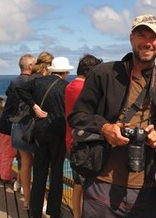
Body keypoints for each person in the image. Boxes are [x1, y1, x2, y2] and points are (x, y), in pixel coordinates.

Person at [69, 14, 156, 217]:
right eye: (141, 35)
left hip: (145, 187)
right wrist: (105, 128)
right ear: (131, 38)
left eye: (153, 37)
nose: (147, 42)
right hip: (102, 182)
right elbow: (77, 115)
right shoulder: (104, 73)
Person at [17, 56, 73, 218]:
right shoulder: (66, 87)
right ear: (65, 72)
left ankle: (35, 211)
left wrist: (34, 106)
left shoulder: (38, 82)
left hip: (40, 131)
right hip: (58, 132)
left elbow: (19, 89)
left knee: (39, 172)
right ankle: (54, 212)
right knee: (56, 173)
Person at [11, 51, 53, 210]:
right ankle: (42, 201)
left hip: (19, 125)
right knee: (40, 167)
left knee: (25, 164)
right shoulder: (41, 81)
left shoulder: (24, 80)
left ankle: (27, 201)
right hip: (33, 128)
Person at [64, 54, 103, 218]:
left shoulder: (70, 86)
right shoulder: (84, 89)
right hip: (83, 144)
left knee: (78, 185)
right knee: (87, 186)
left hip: (71, 138)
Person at [0, 54, 34, 184]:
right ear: (30, 66)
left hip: (2, 122)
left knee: (2, 151)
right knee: (9, 152)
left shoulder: (15, 81)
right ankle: (5, 176)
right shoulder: (27, 82)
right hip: (9, 124)